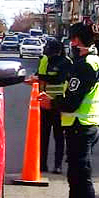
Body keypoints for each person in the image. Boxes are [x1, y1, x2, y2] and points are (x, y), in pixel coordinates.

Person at [47, 21, 99, 198]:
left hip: (81, 126)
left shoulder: (85, 66)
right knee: (75, 177)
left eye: (72, 39)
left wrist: (51, 103)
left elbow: (72, 102)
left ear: (77, 40)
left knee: (82, 179)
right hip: (88, 125)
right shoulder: (96, 61)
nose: (70, 43)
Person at [37, 38, 71, 173]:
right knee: (43, 136)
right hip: (44, 104)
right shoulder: (44, 60)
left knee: (59, 136)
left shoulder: (66, 62)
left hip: (58, 104)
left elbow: (60, 78)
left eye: (49, 49)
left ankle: (58, 165)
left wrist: (43, 78)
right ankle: (42, 164)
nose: (47, 51)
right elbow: (38, 75)